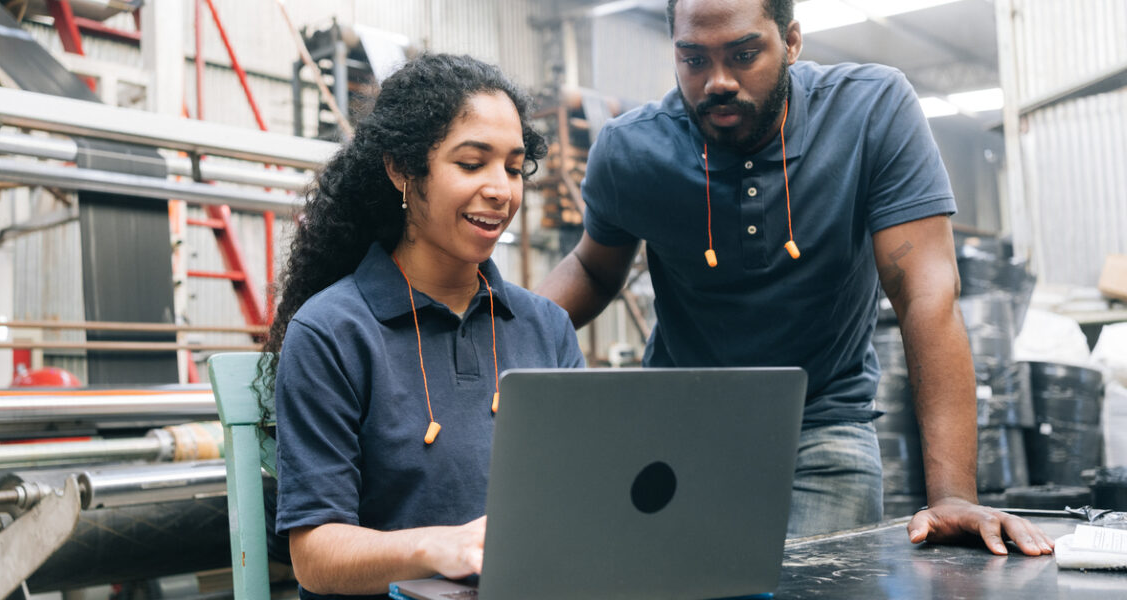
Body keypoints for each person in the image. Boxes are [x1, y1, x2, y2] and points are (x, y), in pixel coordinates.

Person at [537, 0, 1053, 556]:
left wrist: (952, 495)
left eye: (744, 54)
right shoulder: (632, 150)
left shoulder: (870, 111)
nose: (718, 82)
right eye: (693, 60)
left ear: (791, 42)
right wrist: (501, 333)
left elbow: (925, 293)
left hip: (823, 426)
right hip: (677, 427)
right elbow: (593, 268)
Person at [263, 54, 585, 600]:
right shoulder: (332, 332)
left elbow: (585, 496)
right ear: (402, 170)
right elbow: (315, 556)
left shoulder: (546, 327)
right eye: (471, 163)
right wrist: (436, 548)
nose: (501, 190)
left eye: (512, 167)